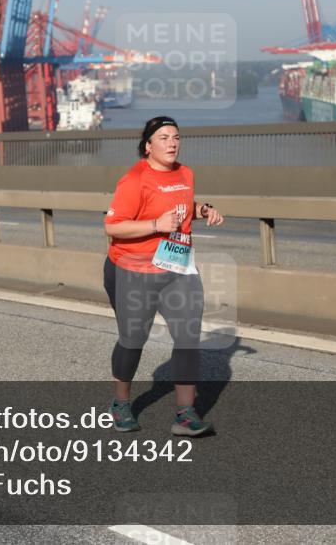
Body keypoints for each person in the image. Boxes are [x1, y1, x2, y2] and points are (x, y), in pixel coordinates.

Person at [102, 116, 225, 436]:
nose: (172, 143)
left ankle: (185, 414)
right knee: (133, 340)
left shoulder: (185, 173)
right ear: (148, 146)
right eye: (163, 138)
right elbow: (112, 226)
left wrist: (204, 210)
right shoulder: (134, 180)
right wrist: (155, 226)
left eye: (176, 137)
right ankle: (120, 402)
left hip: (178, 267)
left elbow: (181, 204)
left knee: (187, 337)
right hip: (133, 269)